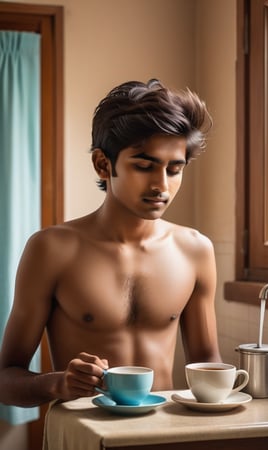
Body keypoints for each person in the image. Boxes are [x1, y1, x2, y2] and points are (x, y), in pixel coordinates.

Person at [0, 79, 221, 407]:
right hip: (83, 435)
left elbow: (209, 373)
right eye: (144, 166)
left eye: (175, 169)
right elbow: (5, 378)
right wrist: (57, 383)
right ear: (104, 164)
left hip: (164, 436)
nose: (162, 184)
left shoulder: (195, 250)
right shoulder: (51, 249)